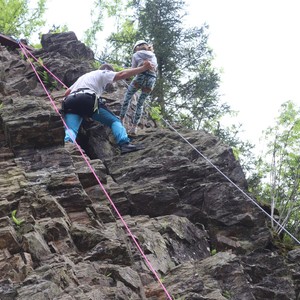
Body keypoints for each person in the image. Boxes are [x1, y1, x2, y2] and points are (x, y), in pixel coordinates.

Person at [62, 61, 154, 154]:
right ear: (108, 70)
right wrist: (143, 68)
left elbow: (67, 92)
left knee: (71, 129)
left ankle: (68, 145)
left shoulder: (83, 77)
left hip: (70, 102)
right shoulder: (103, 72)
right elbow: (122, 74)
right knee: (114, 121)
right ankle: (124, 144)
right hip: (87, 98)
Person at [119, 40, 158, 136]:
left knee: (128, 97)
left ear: (137, 47)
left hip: (140, 77)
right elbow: (155, 69)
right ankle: (134, 127)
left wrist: (126, 76)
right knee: (140, 104)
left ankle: (121, 120)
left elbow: (133, 69)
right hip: (151, 80)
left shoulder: (136, 55)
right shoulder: (153, 55)